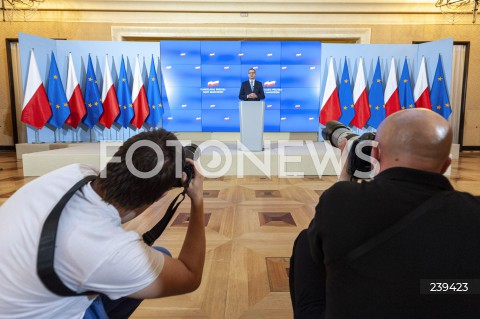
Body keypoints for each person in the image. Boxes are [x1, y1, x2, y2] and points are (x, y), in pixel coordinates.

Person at [289, 109, 480, 319]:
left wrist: (346, 172)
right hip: (443, 295)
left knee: (307, 242)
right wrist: (423, 288)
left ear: (375, 154)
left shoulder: (342, 200)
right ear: (446, 165)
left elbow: (325, 237)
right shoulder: (473, 211)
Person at [0, 129, 205, 319]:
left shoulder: (76, 172)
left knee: (158, 257)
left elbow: (119, 200)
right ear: (161, 195)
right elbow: (190, 275)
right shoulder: (109, 251)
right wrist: (197, 200)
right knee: (155, 267)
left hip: (18, 292)